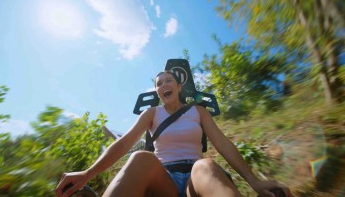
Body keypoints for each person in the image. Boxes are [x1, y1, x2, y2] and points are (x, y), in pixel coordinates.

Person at [55, 71, 292, 197]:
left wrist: (255, 181)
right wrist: (88, 173)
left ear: (178, 87)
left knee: (205, 165)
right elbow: (125, 143)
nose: (163, 85)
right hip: (163, 179)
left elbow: (223, 144)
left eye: (168, 80)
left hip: (196, 178)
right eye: (159, 83)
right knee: (140, 158)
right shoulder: (151, 113)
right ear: (158, 91)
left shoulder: (197, 111)